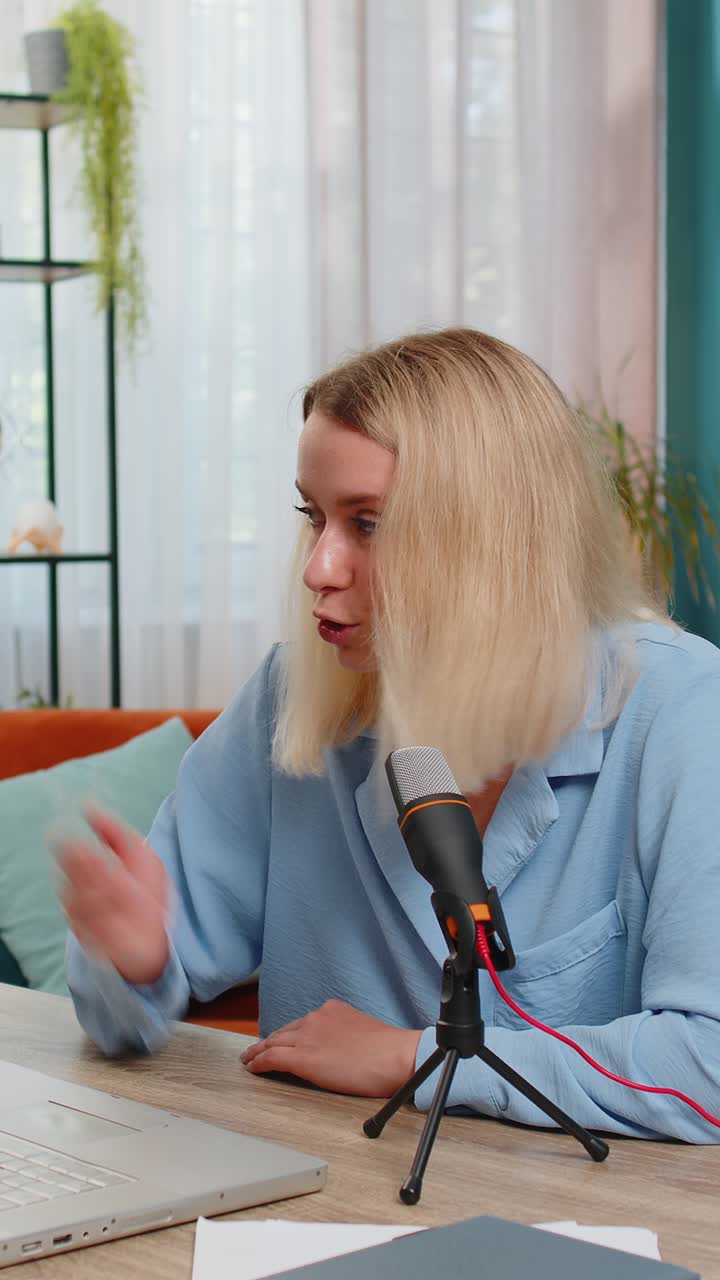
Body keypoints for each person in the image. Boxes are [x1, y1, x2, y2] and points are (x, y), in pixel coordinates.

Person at [62, 327, 720, 1142]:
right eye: (314, 517)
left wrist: (424, 1058)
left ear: (491, 540)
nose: (319, 567)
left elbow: (708, 1069)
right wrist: (134, 963)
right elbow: (119, 1015)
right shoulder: (290, 696)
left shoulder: (682, 710)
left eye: (367, 524)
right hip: (312, 1211)